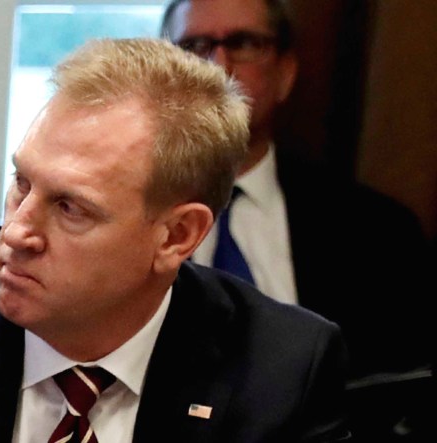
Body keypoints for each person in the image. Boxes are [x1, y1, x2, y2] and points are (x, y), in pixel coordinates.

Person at [0, 37, 351, 442]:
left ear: (177, 236)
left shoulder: (282, 373)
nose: (16, 231)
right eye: (22, 182)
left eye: (71, 208)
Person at [161, 0, 431, 379]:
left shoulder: (379, 230)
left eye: (244, 43)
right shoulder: (119, 222)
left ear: (285, 73)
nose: (218, 67)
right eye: (193, 47)